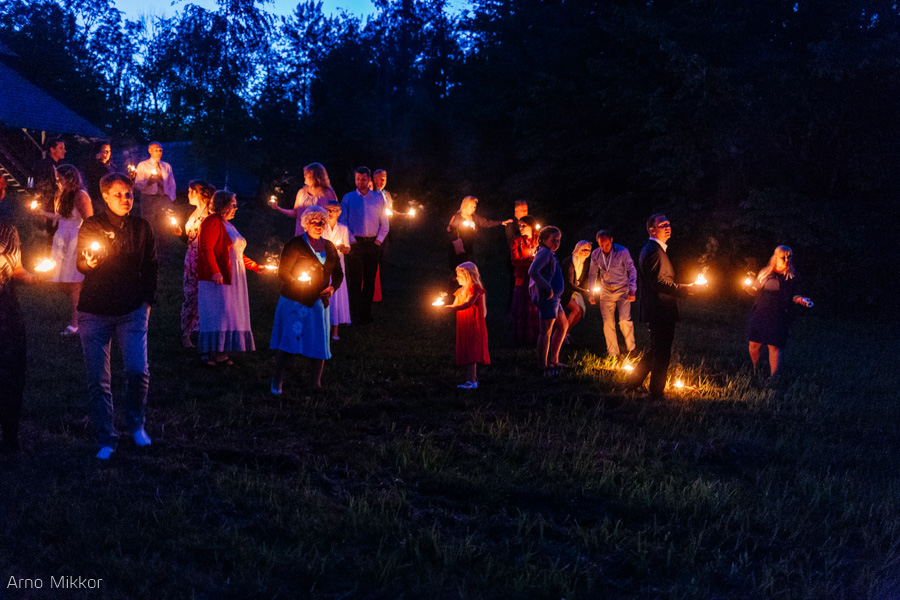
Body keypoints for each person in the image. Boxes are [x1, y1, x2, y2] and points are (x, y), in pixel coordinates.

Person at [76, 173, 158, 460]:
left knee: (138, 370)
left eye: (129, 194)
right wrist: (88, 262)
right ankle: (106, 437)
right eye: (119, 194)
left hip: (133, 310)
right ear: (106, 197)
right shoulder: (92, 225)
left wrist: (147, 301)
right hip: (94, 311)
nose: (126, 199)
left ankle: (136, 425)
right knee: (98, 379)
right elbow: (81, 262)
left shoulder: (141, 227)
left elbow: (151, 265)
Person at [627, 214, 703, 400]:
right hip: (659, 309)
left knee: (656, 350)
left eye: (669, 224)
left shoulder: (656, 249)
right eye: (663, 225)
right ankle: (656, 393)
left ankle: (633, 382)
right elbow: (659, 283)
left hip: (660, 309)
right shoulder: (653, 251)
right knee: (661, 352)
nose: (668, 227)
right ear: (652, 230)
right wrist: (686, 289)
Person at [270, 206, 343, 393]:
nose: (318, 225)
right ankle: (277, 382)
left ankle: (315, 383)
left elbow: (339, 274)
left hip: (319, 303)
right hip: (296, 301)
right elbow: (283, 272)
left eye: (322, 222)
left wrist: (332, 287)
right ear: (305, 224)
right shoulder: (295, 244)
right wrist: (296, 282)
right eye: (314, 222)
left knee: (319, 343)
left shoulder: (329, 246)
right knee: (289, 341)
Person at [0, 177, 41, 453]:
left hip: (4, 308)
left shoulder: (6, 230)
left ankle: (10, 437)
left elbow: (16, 270)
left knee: (11, 370)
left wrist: (37, 274)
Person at [197, 191, 261, 365]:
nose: (236, 208)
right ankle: (214, 351)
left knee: (230, 312)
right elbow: (206, 248)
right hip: (219, 277)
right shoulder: (212, 221)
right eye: (233, 204)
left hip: (235, 275)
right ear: (223, 205)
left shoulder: (229, 225)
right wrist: (215, 271)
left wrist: (254, 266)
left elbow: (236, 253)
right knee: (220, 312)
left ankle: (221, 349)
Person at [34, 165, 93, 335]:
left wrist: (86, 244)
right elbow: (60, 217)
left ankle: (75, 323)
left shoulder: (81, 196)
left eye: (60, 179)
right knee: (62, 281)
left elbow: (89, 220)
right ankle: (84, 309)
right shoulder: (61, 194)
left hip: (75, 239)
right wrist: (44, 214)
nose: (57, 182)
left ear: (70, 178)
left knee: (74, 282)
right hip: (62, 239)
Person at [746, 245, 813, 381]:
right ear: (776, 258)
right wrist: (747, 288)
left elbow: (795, 295)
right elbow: (754, 289)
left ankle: (774, 378)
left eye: (789, 257)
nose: (787, 259)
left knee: (774, 346)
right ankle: (756, 369)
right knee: (754, 344)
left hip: (778, 314)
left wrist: (801, 300)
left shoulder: (791, 276)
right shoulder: (765, 272)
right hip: (760, 312)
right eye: (783, 257)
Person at [338, 167, 389, 325]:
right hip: (356, 243)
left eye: (363, 179)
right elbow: (343, 221)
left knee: (370, 280)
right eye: (357, 179)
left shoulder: (378, 197)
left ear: (369, 180)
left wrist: (378, 241)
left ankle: (366, 314)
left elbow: (384, 222)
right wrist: (351, 240)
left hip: (372, 243)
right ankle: (355, 314)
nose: (360, 182)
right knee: (355, 280)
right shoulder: (349, 198)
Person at [176, 180, 216, 348]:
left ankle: (200, 329)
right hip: (191, 259)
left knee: (205, 294)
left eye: (189, 191)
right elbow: (191, 238)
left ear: (197, 193)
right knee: (191, 295)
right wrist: (181, 235)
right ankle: (186, 332)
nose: (187, 194)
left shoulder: (211, 214)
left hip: (205, 259)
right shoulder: (193, 213)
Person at [587, 230, 637, 358]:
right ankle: (613, 353)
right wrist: (591, 292)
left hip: (622, 289)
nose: (604, 248)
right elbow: (592, 273)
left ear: (611, 240)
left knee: (624, 319)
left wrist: (632, 289)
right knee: (608, 322)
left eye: (606, 245)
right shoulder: (596, 254)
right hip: (606, 290)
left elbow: (632, 270)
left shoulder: (622, 251)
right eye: (601, 245)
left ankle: (631, 348)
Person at [528, 226, 569, 376]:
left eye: (558, 239)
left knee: (563, 325)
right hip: (548, 298)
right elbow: (532, 271)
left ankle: (554, 360)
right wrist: (547, 287)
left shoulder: (550, 253)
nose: (557, 242)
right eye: (553, 240)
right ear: (544, 240)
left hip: (555, 299)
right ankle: (542, 366)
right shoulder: (544, 253)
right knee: (546, 331)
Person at [442, 261, 489, 389]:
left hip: (473, 324)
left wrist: (450, 308)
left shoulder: (475, 289)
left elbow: (468, 304)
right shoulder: (460, 291)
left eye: (458, 275)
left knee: (472, 351)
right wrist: (444, 305)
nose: (456, 278)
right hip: (464, 324)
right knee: (467, 349)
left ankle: (472, 381)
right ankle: (470, 379)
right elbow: (456, 303)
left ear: (467, 275)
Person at [447, 196, 512, 272]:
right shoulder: (457, 216)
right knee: (457, 270)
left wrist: (501, 222)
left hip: (468, 248)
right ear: (465, 206)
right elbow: (449, 229)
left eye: (474, 207)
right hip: (458, 249)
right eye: (471, 206)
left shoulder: (474, 218)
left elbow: (486, 223)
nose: (473, 209)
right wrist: (458, 227)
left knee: (469, 270)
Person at [271, 162, 337, 236]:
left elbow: (335, 216)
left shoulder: (328, 193)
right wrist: (279, 208)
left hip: (320, 235)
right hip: (302, 234)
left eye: (306, 173)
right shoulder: (301, 193)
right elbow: (295, 213)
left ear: (313, 174)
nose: (304, 176)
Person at [509, 215, 540, 346]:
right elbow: (514, 260)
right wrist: (531, 261)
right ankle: (522, 338)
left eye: (524, 225)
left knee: (535, 306)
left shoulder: (539, 240)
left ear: (531, 226)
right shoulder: (516, 241)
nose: (520, 228)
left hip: (537, 277)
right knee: (523, 306)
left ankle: (537, 336)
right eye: (519, 225)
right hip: (523, 277)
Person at [323, 199, 351, 340]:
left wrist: (342, 248)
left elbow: (347, 249)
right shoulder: (320, 227)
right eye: (328, 209)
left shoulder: (343, 229)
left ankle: (335, 330)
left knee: (337, 294)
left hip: (338, 265)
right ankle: (321, 327)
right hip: (323, 265)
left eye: (333, 210)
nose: (330, 212)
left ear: (339, 213)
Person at [134, 142, 176, 233]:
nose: (159, 152)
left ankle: (164, 242)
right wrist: (148, 183)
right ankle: (150, 242)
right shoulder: (143, 165)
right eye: (156, 150)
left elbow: (171, 184)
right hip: (149, 198)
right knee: (149, 223)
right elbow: (137, 184)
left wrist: (171, 198)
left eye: (160, 150)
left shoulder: (166, 166)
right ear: (150, 151)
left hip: (164, 198)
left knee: (165, 223)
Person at [561, 240, 592, 337]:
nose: (587, 251)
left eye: (589, 250)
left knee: (580, 312)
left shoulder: (585, 263)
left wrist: (589, 288)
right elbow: (569, 283)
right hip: (564, 290)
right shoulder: (570, 262)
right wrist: (584, 291)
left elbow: (583, 279)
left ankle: (566, 333)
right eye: (584, 249)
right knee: (576, 309)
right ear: (578, 249)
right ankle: (562, 333)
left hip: (575, 290)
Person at [505, 200, 530, 310]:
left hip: (527, 257)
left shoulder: (528, 222)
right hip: (515, 258)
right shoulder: (511, 224)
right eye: (522, 210)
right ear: (516, 210)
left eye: (526, 210)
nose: (525, 212)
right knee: (515, 282)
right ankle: (513, 307)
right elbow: (512, 240)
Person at [84, 140, 118, 215]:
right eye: (104, 151)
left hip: (112, 198)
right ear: (98, 152)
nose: (107, 153)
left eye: (109, 151)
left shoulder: (112, 166)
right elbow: (90, 176)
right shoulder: (93, 166)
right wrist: (97, 161)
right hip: (99, 199)